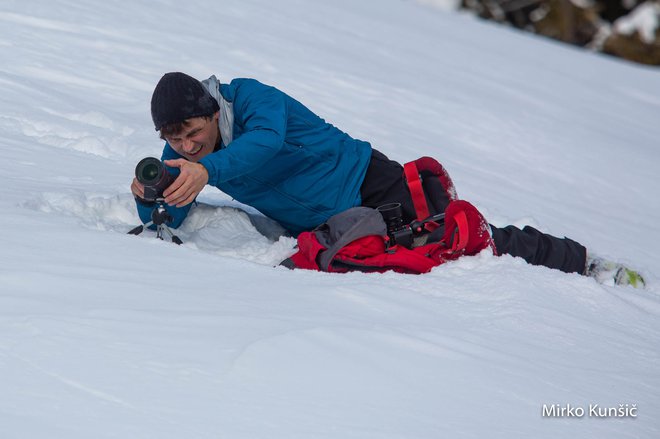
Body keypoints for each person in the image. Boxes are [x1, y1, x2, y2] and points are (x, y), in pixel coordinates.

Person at [131, 72, 644, 288]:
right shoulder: (184, 152)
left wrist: (205, 169)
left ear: (211, 112)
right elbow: (169, 205)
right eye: (175, 142)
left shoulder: (250, 98)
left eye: (195, 135)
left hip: (372, 184)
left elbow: (261, 143)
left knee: (466, 244)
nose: (187, 148)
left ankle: (579, 260)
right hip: (330, 221)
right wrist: (150, 197)